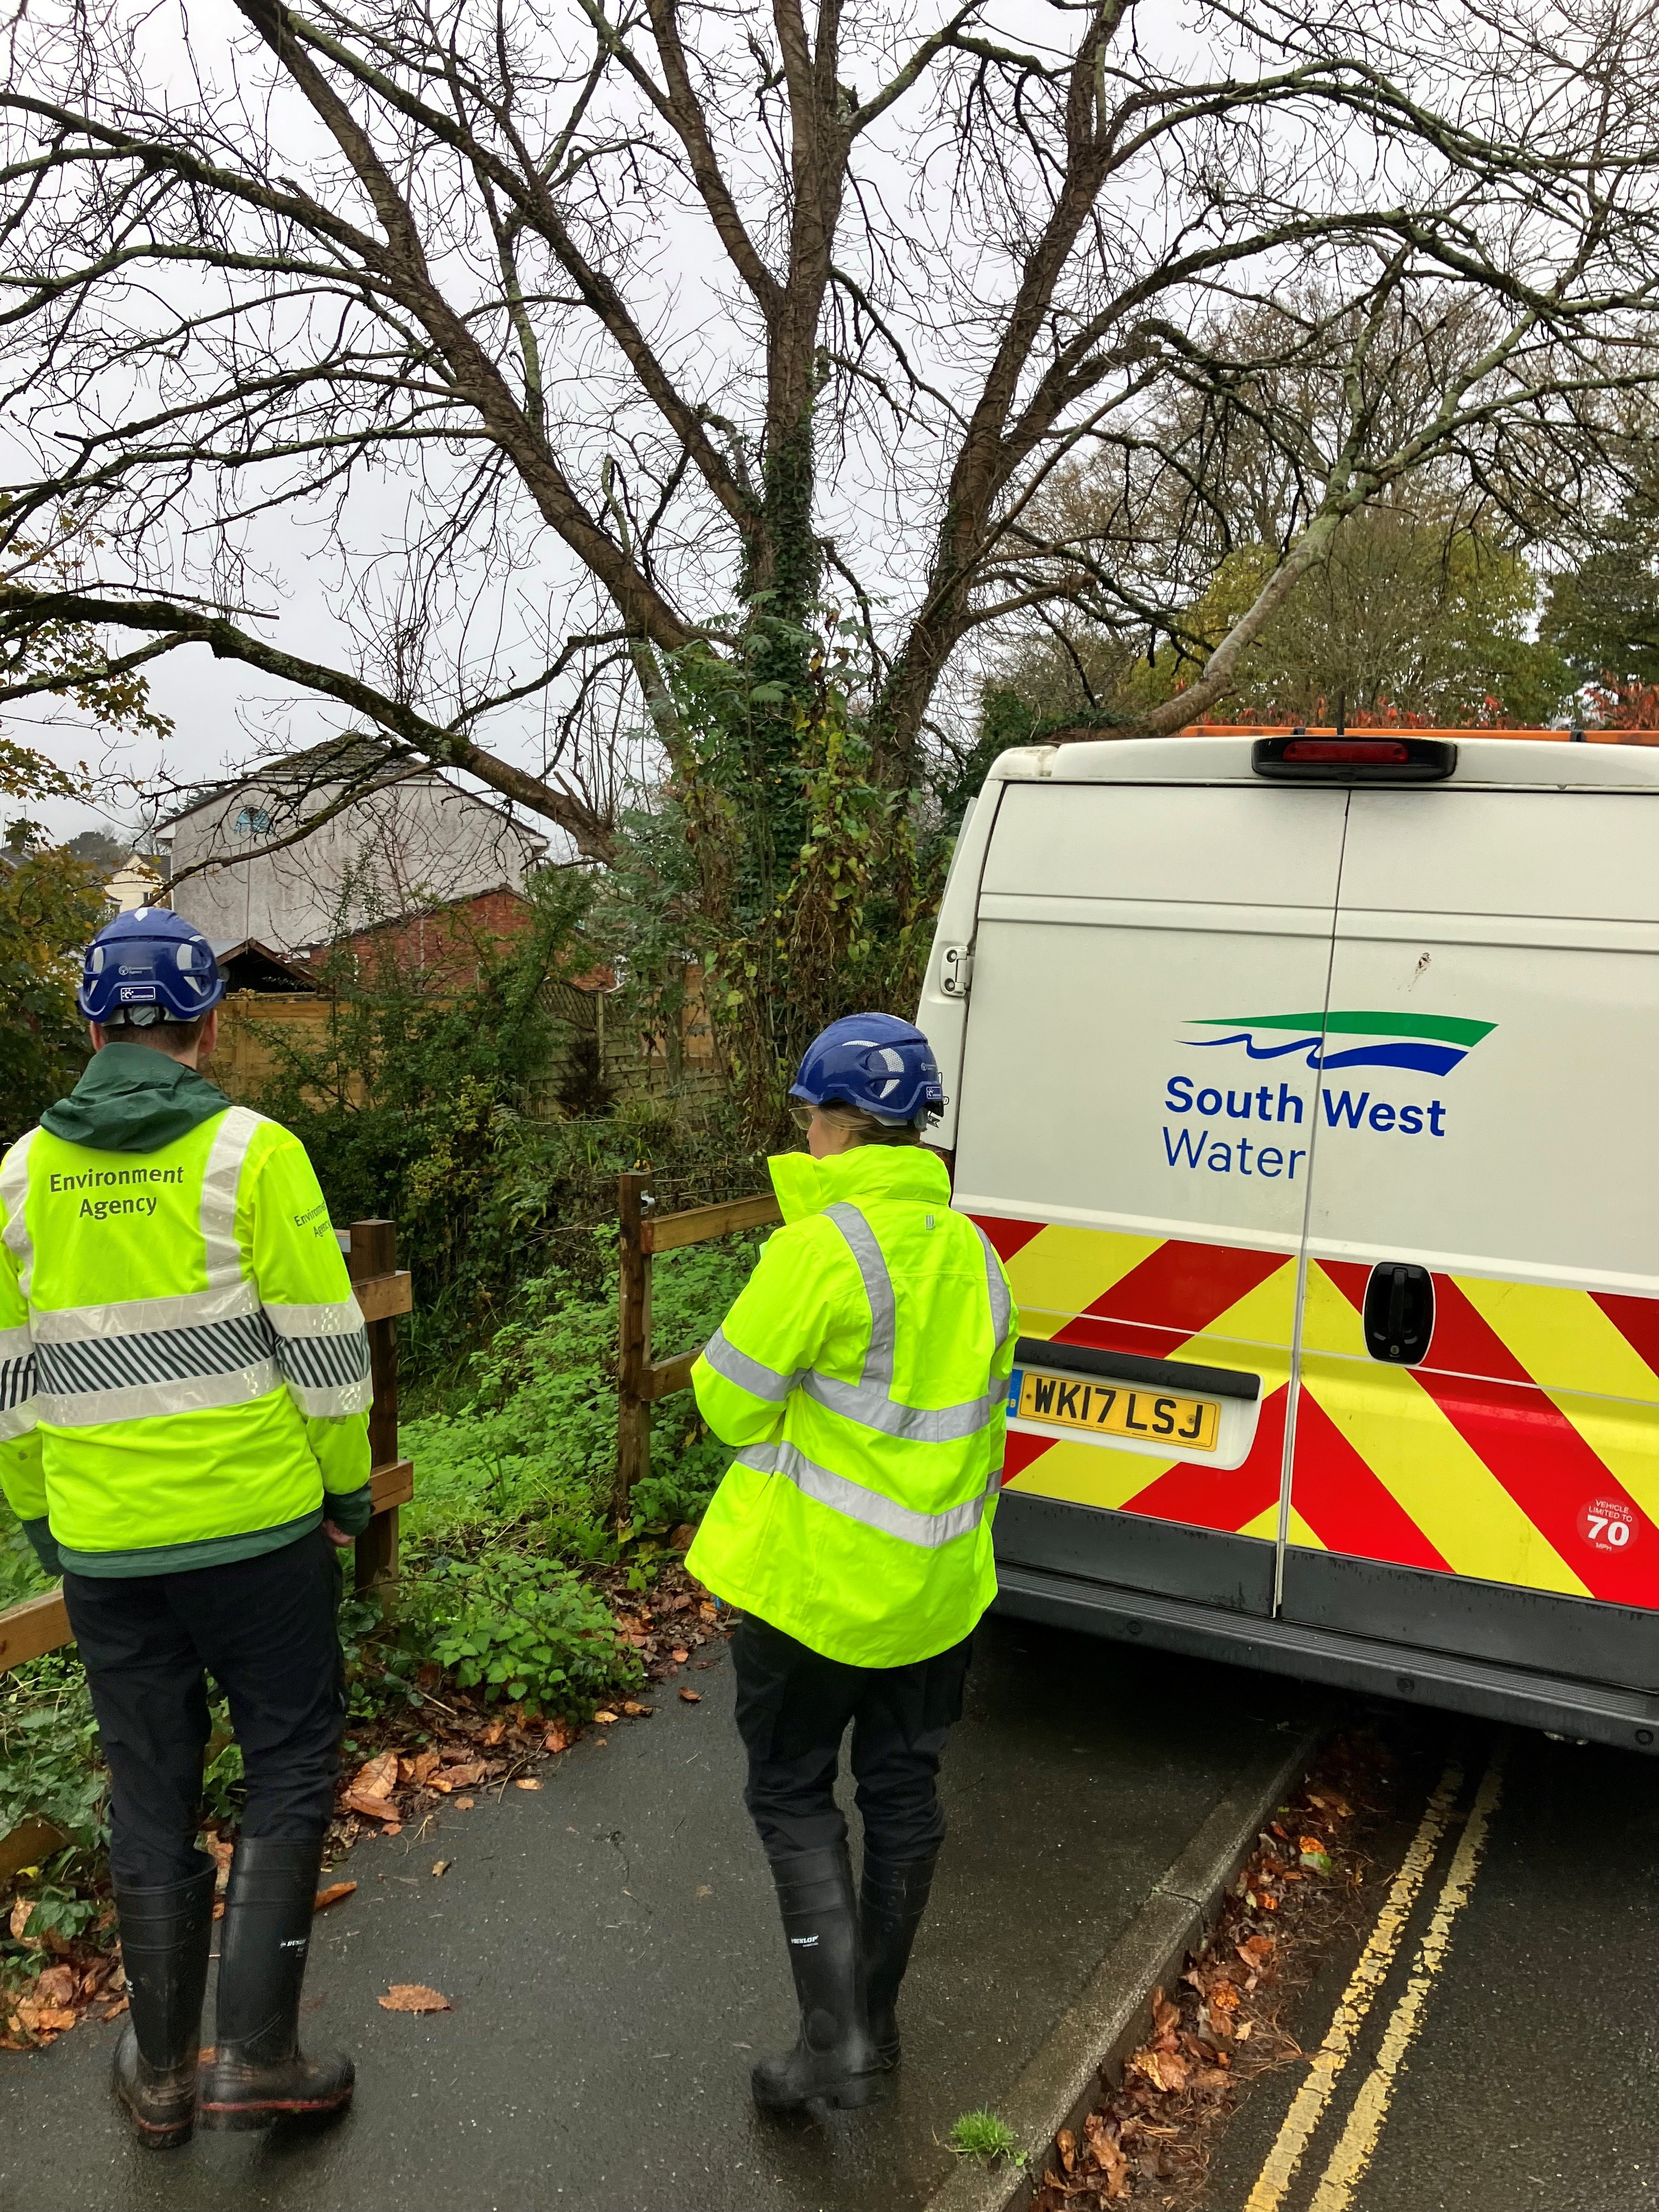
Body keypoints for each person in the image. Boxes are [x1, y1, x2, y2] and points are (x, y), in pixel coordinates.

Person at [0, 909, 374, 2147]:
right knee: (291, 1761)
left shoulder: (18, 1177)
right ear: (208, 1026)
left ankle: (161, 2074)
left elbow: (10, 1383)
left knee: (150, 1784)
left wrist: (44, 1519)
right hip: (258, 1530)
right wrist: (345, 1492)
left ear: (90, 1027)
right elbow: (325, 1349)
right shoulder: (255, 1155)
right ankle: (258, 2058)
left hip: (108, 1548)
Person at [686, 1013, 1017, 2112]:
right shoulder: (978, 1255)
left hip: (815, 1592)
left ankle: (833, 2046)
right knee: (903, 1792)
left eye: (809, 1117)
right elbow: (988, 1423)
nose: (805, 1136)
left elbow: (727, 1403)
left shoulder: (818, 1250)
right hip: (939, 1589)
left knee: (792, 1794)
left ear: (835, 1121)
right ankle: (873, 2024)